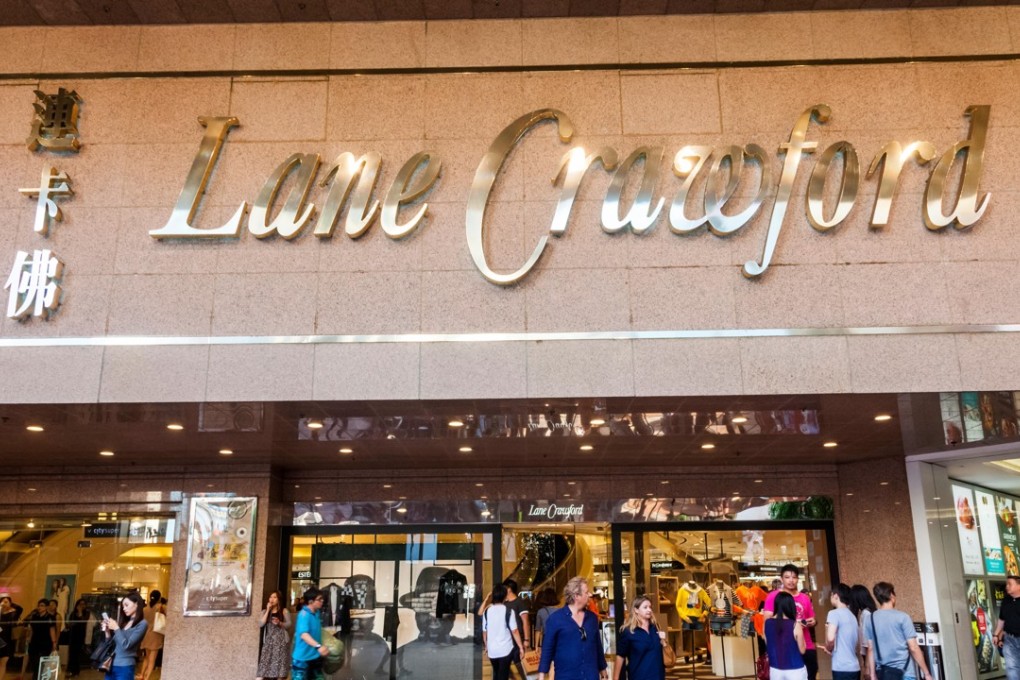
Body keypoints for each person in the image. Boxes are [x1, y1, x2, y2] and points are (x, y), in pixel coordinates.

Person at [538, 576, 608, 680]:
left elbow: (597, 645)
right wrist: (542, 675)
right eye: (586, 592)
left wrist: (603, 669)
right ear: (576, 596)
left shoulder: (592, 618)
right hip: (566, 675)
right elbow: (547, 649)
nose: (590, 595)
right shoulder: (555, 619)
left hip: (590, 675)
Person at [863, 582, 933, 680]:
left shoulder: (870, 619)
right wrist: (926, 673)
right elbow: (913, 647)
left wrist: (873, 675)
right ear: (892, 595)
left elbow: (870, 649)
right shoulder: (903, 617)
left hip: (883, 673)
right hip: (905, 673)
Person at [764, 564, 817, 680]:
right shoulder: (773, 596)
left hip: (806, 645)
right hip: (784, 648)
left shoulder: (805, 598)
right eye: (787, 577)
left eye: (794, 577)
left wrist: (812, 621)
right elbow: (767, 621)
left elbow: (812, 618)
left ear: (798, 578)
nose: (791, 580)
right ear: (782, 578)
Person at [612, 595, 666, 680]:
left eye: (650, 607)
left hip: (658, 676)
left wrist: (664, 641)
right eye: (645, 607)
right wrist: (615, 678)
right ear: (636, 610)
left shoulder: (655, 627)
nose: (649, 610)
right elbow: (620, 656)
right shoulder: (629, 632)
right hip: (639, 676)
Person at [101, 592, 148, 680]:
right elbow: (112, 644)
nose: (124, 608)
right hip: (110, 665)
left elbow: (126, 645)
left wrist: (116, 628)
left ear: (137, 604)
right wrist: (107, 632)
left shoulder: (142, 624)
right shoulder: (124, 623)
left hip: (125, 667)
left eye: (126, 605)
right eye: (123, 606)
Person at [483, 584, 524, 680]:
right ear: (504, 596)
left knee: (497, 673)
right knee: (503, 675)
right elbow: (514, 631)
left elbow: (485, 631)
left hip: (492, 650)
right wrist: (521, 647)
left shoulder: (487, 611)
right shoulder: (509, 611)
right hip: (506, 649)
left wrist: (486, 645)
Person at [765, 592, 807, 680]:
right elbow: (802, 650)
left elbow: (768, 643)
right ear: (791, 606)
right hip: (795, 670)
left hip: (775, 669)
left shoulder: (767, 623)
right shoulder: (795, 625)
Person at [824, 584, 860, 680]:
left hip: (841, 667)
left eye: (831, 595)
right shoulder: (853, 616)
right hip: (855, 667)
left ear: (836, 595)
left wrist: (828, 648)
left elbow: (830, 638)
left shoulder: (833, 613)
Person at [292, 588, 329, 680]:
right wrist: (318, 646)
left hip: (315, 657)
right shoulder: (304, 615)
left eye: (322, 599)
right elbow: (304, 635)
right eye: (319, 599)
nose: (322, 601)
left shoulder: (316, 613)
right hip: (302, 660)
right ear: (311, 601)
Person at [256, 591, 291, 680]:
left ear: (278, 600)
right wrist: (268, 609)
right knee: (263, 667)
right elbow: (261, 624)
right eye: (271, 597)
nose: (272, 599)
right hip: (269, 641)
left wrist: (279, 623)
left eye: (275, 597)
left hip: (281, 642)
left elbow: (289, 624)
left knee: (280, 669)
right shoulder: (264, 611)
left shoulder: (284, 611)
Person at [993, 575, 1020, 680]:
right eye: (1006, 584)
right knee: (1012, 668)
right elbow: (1001, 620)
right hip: (1010, 639)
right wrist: (996, 634)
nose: (1007, 586)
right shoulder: (1006, 600)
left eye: (1010, 584)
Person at [23, 598, 57, 680]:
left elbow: (52, 630)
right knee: (34, 661)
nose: (39, 607)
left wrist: (54, 642)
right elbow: (31, 629)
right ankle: (36, 676)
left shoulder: (50, 617)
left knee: (41, 662)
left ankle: (38, 677)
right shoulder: (35, 616)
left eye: (42, 606)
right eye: (38, 605)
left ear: (46, 607)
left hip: (45, 642)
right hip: (34, 641)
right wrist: (29, 638)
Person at [503, 579, 530, 678]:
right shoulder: (504, 604)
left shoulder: (520, 602)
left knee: (519, 664)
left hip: (518, 639)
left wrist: (526, 640)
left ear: (509, 589)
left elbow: (525, 622)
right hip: (507, 639)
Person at [850, 585, 878, 680]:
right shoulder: (870, 612)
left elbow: (868, 645)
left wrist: (867, 667)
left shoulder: (866, 614)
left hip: (870, 659)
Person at [140, 591, 165, 680]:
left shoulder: (144, 609)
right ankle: (147, 678)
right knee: (152, 660)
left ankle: (142, 675)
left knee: (146, 657)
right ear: (159, 597)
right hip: (156, 635)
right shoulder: (160, 607)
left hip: (147, 634)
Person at [66, 598, 91, 678]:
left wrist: (80, 613)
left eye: (83, 604)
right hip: (72, 635)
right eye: (80, 604)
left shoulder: (87, 613)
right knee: (71, 653)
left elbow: (83, 621)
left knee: (77, 654)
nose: (82, 606)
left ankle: (76, 671)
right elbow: (70, 624)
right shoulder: (73, 613)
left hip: (80, 636)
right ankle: (70, 670)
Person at [0, 597, 22, 680]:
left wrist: (10, 604)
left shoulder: (13, 613)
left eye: (6, 602)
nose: (4, 604)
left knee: (3, 661)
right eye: (2, 602)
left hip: (7, 640)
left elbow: (20, 608)